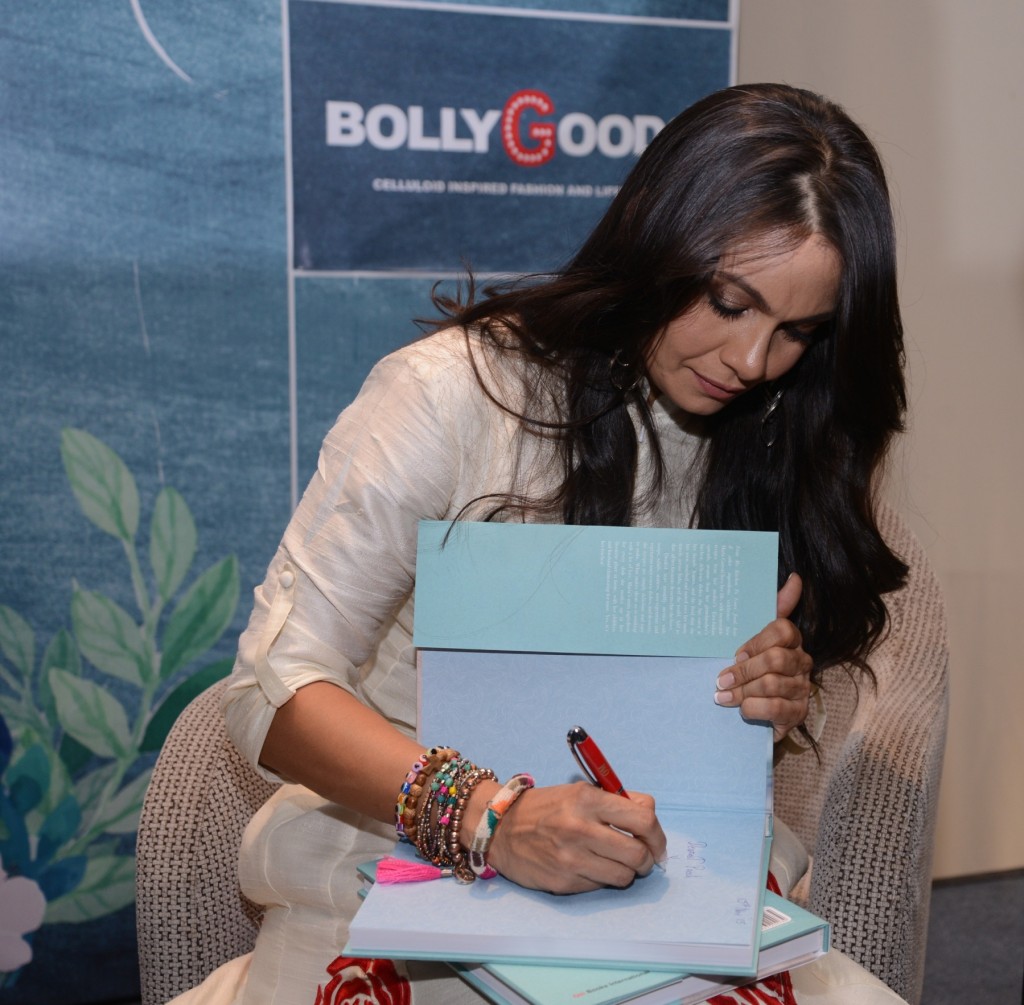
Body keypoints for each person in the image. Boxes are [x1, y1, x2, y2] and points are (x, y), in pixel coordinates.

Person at [188, 83, 914, 1004]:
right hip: (402, 885)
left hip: (653, 894)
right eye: (731, 302)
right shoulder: (448, 395)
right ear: (661, 238)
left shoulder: (762, 427)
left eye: (797, 332)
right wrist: (494, 817)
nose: (752, 361)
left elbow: (657, 726)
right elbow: (273, 695)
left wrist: (755, 692)